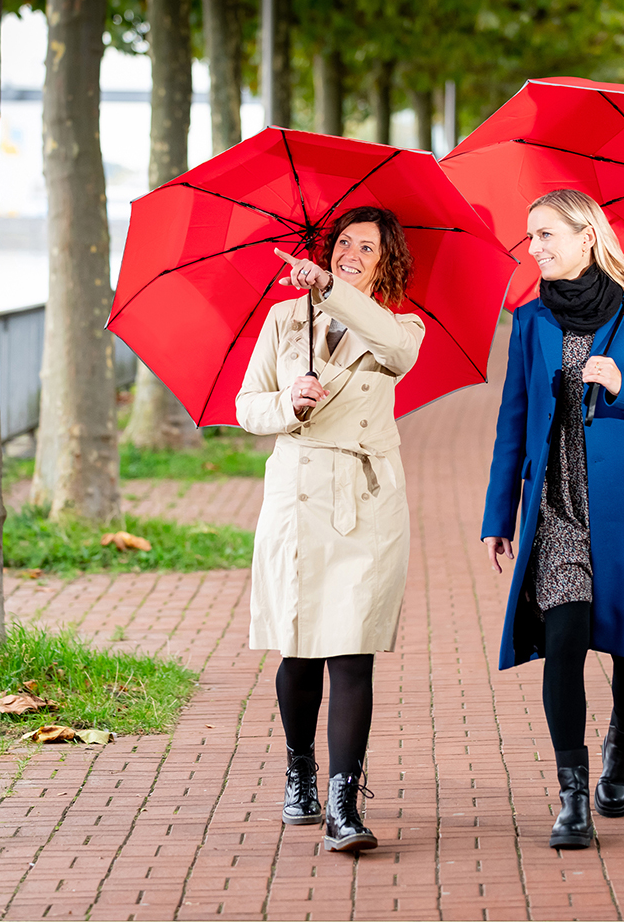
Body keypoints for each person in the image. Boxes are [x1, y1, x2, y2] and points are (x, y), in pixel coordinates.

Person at [481, 189, 624, 850]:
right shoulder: (529, 321)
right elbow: (514, 422)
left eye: (546, 235)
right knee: (564, 642)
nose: (535, 249)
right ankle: (572, 796)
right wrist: (500, 512)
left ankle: (622, 738)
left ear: (587, 236)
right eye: (531, 237)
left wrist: (622, 384)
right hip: (557, 507)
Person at [236, 205, 424, 853]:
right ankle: (300, 770)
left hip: (366, 499)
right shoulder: (283, 319)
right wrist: (289, 403)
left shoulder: (400, 325)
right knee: (298, 646)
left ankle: (345, 802)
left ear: (385, 262)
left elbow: (397, 354)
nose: (350, 253)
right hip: (297, 492)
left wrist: (329, 291)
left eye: (366, 248)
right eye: (344, 243)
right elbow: (246, 404)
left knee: (353, 648)